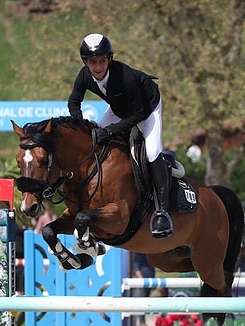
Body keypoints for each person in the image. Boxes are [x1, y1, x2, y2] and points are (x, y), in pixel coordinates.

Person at [67, 33, 173, 239]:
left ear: (109, 59)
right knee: (93, 143)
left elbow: (138, 114)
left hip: (147, 108)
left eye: (102, 61)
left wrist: (111, 131)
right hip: (119, 108)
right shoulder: (84, 76)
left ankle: (162, 212)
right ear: (85, 62)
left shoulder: (126, 76)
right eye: (92, 62)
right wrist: (80, 124)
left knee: (152, 152)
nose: (98, 67)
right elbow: (73, 102)